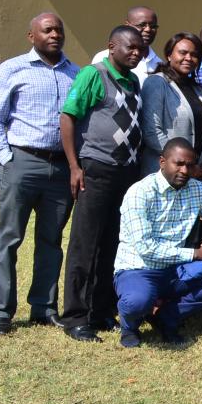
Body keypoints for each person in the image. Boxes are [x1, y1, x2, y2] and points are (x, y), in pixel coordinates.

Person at [0, 13, 79, 336]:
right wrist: (7, 158)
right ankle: (1, 312)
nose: (55, 35)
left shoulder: (74, 74)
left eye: (59, 30)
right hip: (22, 162)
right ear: (31, 35)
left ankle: (43, 307)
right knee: (9, 238)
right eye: (47, 30)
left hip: (59, 168)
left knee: (51, 240)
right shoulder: (12, 69)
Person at [59, 25, 145, 342]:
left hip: (125, 173)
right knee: (85, 245)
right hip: (95, 169)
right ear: (112, 46)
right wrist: (74, 166)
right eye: (130, 47)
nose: (137, 53)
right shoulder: (93, 75)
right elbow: (68, 117)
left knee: (111, 243)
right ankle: (76, 317)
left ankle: (100, 310)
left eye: (141, 49)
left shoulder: (135, 81)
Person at [112, 139, 202, 348]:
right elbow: (146, 248)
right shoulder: (140, 192)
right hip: (139, 268)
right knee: (137, 301)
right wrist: (197, 254)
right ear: (162, 162)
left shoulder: (197, 189)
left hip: (175, 269)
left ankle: (167, 317)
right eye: (178, 163)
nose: (185, 170)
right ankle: (129, 326)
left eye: (190, 165)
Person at [139, 32, 202, 176]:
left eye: (194, 54)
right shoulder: (157, 82)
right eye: (183, 53)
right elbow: (152, 132)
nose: (189, 58)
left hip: (194, 173)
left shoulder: (198, 89)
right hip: (163, 172)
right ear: (169, 55)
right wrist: (185, 162)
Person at [90, 6, 161, 82]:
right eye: (141, 25)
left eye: (153, 26)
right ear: (127, 25)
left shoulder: (159, 65)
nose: (148, 29)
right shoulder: (103, 57)